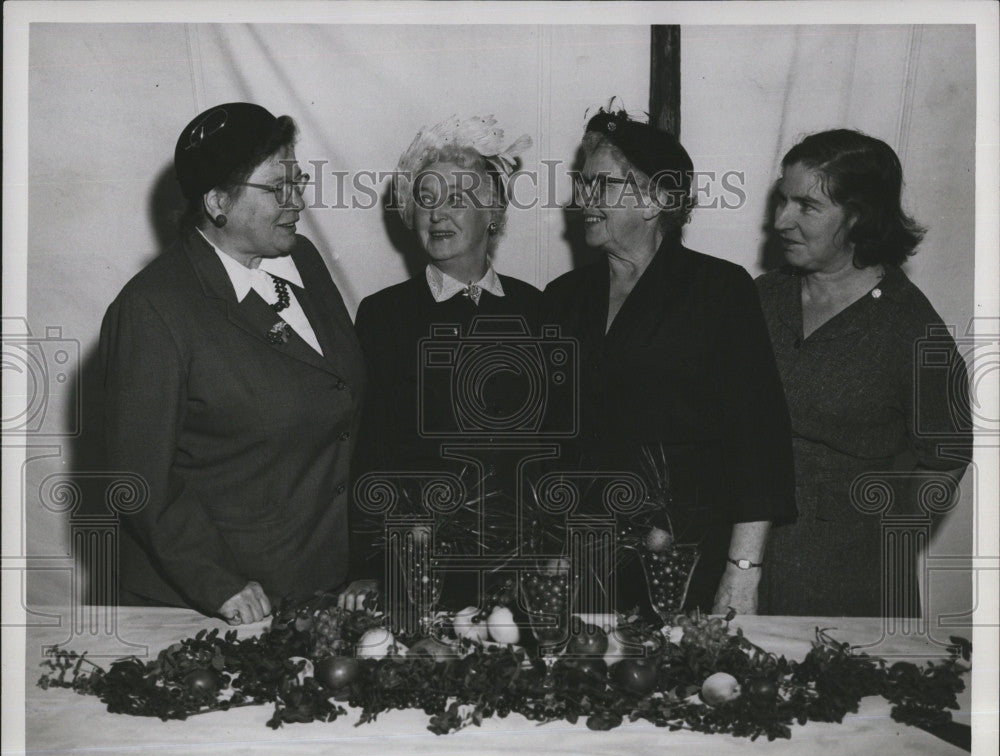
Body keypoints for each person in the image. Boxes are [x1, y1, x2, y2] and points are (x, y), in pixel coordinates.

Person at [100, 102, 366, 624]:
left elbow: (337, 394)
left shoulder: (303, 259)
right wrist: (218, 584)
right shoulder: (151, 309)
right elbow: (136, 480)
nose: (297, 202)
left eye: (298, 180)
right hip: (214, 604)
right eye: (276, 187)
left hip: (317, 589)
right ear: (219, 202)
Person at [541, 109, 797, 615]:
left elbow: (758, 438)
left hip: (684, 565)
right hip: (580, 565)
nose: (583, 201)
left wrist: (742, 572)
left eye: (604, 186)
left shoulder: (718, 291)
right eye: (582, 184)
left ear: (658, 198)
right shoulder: (562, 298)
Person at [757, 129, 972, 616]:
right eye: (782, 200)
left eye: (806, 206)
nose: (780, 220)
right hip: (744, 556)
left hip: (848, 582)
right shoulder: (763, 298)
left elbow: (947, 456)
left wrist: (877, 534)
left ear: (858, 216)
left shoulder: (911, 328)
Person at [348, 115, 540, 610]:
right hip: (418, 566)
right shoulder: (382, 315)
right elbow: (371, 450)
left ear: (494, 210)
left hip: (523, 570)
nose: (437, 215)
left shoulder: (539, 310)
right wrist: (370, 570)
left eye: (458, 199)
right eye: (426, 201)